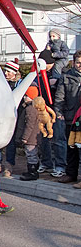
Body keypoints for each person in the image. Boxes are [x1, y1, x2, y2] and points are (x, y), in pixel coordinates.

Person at [36, 50, 66, 177]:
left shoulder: (60, 73)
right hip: (45, 112)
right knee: (45, 138)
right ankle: (46, 162)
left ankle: (60, 165)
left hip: (57, 111)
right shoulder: (40, 75)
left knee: (59, 138)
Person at [54, 50, 81, 184]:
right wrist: (59, 112)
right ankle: (71, 174)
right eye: (78, 62)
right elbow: (60, 97)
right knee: (72, 148)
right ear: (73, 63)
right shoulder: (66, 77)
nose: (80, 65)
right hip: (71, 118)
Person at [0, 61, 21, 176]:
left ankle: (9, 165)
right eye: (5, 71)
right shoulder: (0, 83)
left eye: (8, 71)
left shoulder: (18, 84)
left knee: (10, 142)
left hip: (13, 117)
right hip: (0, 116)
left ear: (14, 73)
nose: (6, 73)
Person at [15, 86, 41, 181]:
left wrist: (24, 138)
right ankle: (32, 171)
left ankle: (32, 172)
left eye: (26, 96)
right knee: (31, 154)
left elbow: (29, 125)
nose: (24, 97)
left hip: (31, 138)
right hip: (32, 137)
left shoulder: (30, 109)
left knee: (31, 155)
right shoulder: (31, 108)